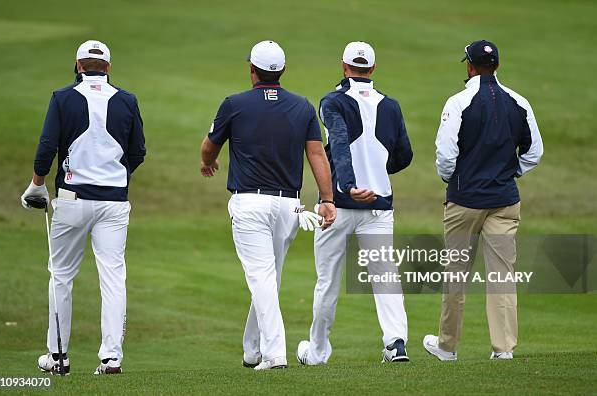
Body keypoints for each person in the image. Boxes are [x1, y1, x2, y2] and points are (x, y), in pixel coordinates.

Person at [200, 40, 337, 370]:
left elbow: (209, 147)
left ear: (252, 70)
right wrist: (328, 199)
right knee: (269, 280)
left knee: (262, 279)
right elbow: (317, 154)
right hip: (289, 207)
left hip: (249, 203)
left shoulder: (234, 104)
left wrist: (208, 162)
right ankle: (251, 350)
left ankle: (275, 354)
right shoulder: (303, 107)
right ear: (283, 71)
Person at [20, 40, 146, 374]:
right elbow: (138, 152)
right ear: (108, 67)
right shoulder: (127, 100)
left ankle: (57, 356)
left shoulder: (62, 98)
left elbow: (47, 146)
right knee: (113, 278)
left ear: (78, 65)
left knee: (61, 276)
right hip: (114, 202)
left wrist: (36, 185)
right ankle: (111, 358)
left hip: (71, 199)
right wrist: (115, 174)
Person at [423, 40, 543, 361]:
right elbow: (534, 153)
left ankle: (447, 347)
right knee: (502, 275)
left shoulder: (459, 102)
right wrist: (509, 172)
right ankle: (503, 349)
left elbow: (445, 156)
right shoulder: (519, 102)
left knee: (456, 275)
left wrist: (454, 179)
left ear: (470, 66)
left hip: (465, 201)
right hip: (505, 200)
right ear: (497, 66)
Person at [296, 41, 413, 365]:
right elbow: (404, 156)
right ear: (372, 69)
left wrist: (347, 185)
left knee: (327, 281)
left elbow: (341, 144)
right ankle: (396, 343)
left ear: (343, 66)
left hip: (338, 205)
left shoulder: (332, 101)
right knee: (385, 276)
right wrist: (375, 172)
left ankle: (317, 352)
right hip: (379, 205)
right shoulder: (391, 105)